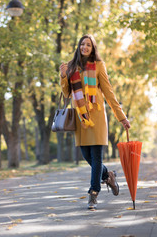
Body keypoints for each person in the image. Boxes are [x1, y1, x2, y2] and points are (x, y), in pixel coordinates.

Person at [59, 34, 131, 209]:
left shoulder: (99, 66)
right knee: (87, 156)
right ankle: (109, 176)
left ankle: (93, 193)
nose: (84, 47)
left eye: (88, 45)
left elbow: (108, 92)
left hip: (97, 116)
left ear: (93, 48)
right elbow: (67, 93)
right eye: (82, 44)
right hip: (81, 117)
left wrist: (122, 117)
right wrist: (62, 76)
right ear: (78, 46)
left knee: (96, 156)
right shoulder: (71, 67)